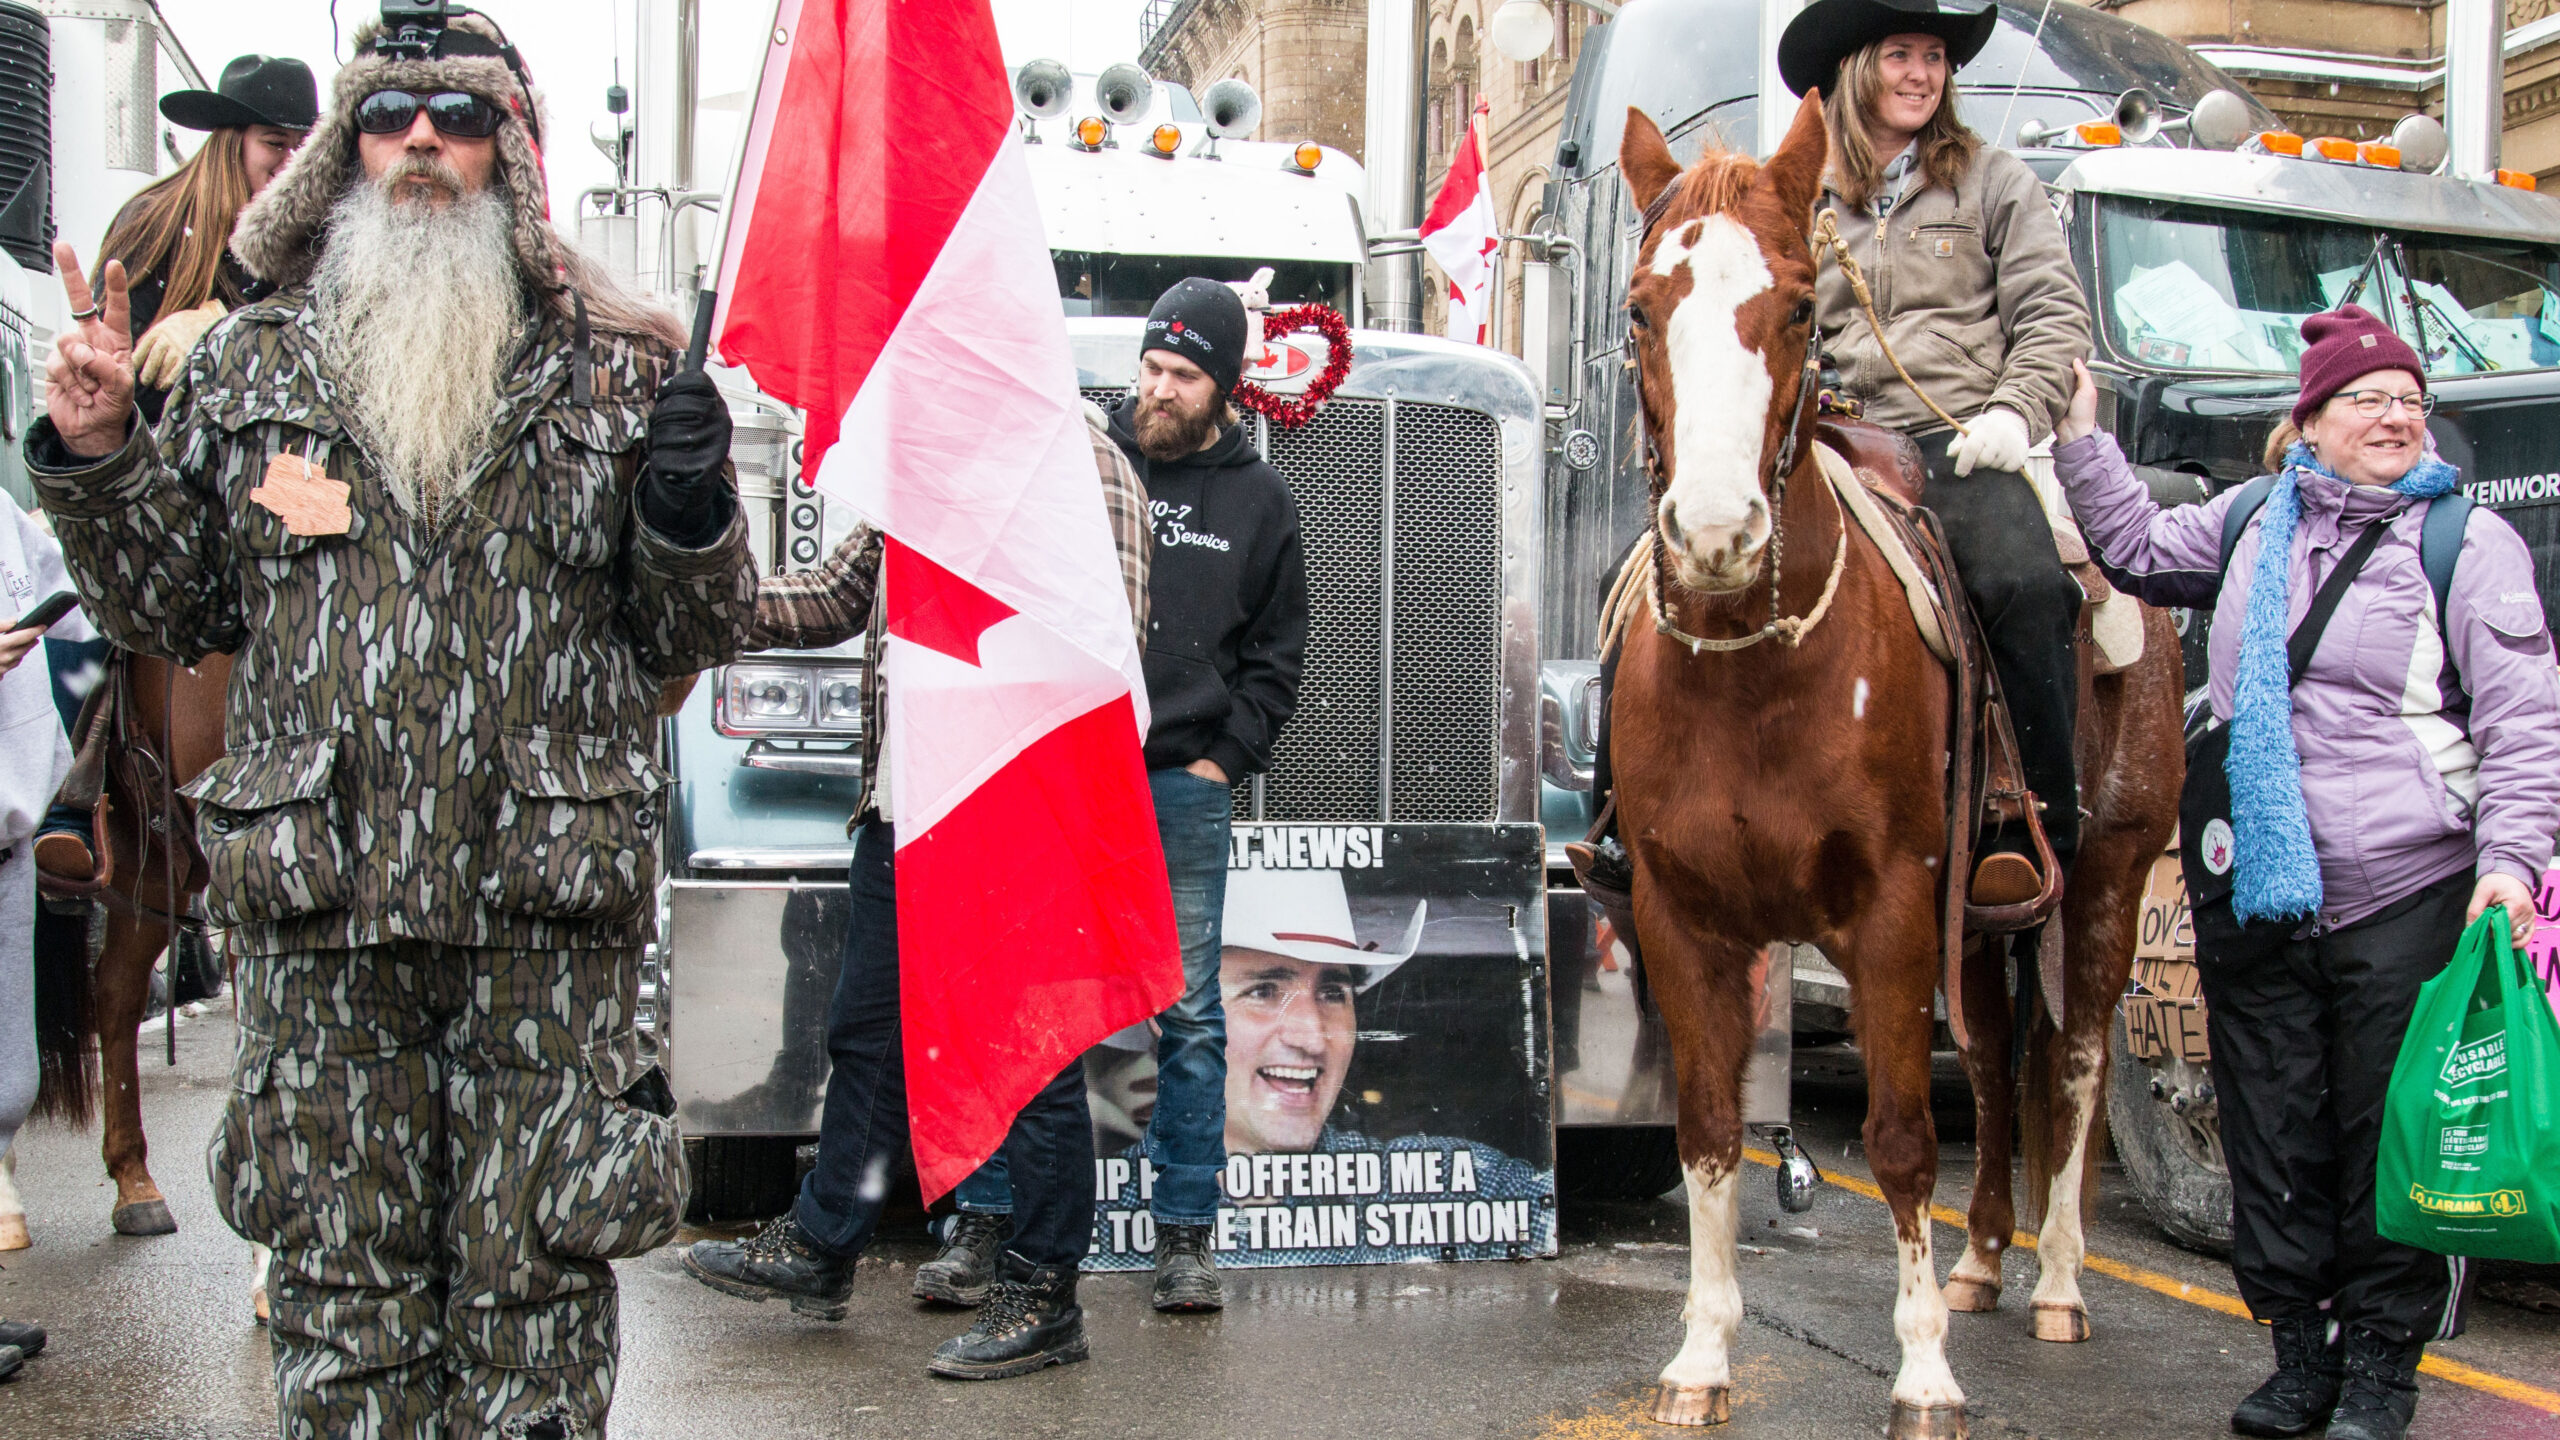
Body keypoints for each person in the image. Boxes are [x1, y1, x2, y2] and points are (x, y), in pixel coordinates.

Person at [23, 15, 756, 1434]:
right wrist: (100, 455)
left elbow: (685, 638)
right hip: (324, 900)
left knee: (535, 1276)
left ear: (510, 151)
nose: (422, 138)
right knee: (339, 1275)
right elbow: (174, 603)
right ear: (343, 150)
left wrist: (688, 519)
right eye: (389, 112)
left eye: (459, 115)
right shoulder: (250, 366)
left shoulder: (622, 370)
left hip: (540, 909)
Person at [2050, 306, 2560, 1440]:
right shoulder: (2248, 521)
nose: (2396, 417)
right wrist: (2082, 434)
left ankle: (2380, 1369)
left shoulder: (2465, 545)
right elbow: (2134, 547)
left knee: (2385, 1140)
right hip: (2257, 890)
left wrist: (2511, 864)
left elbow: (2526, 723)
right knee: (2273, 1131)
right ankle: (2299, 1353)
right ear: (2311, 422)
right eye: (2368, 400)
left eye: (2410, 401)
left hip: (2407, 889)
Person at [680, 407, 1152, 1379]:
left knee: (1031, 1058)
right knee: (868, 1036)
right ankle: (824, 1244)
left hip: (1013, 807)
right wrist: (704, 582)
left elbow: (1108, 644)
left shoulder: (1082, 463)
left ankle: (1043, 1293)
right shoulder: (932, 453)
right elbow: (832, 596)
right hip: (904, 811)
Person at [925, 278, 1308, 1315]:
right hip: (1062, 772)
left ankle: (1184, 1237)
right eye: (1151, 367)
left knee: (1188, 1015)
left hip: (1180, 783)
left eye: (1183, 374)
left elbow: (1277, 656)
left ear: (1224, 386)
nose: (1159, 389)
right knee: (1025, 999)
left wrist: (1223, 759)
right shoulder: (1082, 465)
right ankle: (986, 1223)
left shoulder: (1261, 502)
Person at [31, 55, 312, 891]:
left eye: (301, 146)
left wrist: (221, 325)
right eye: (273, 143)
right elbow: (112, 354)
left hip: (277, 478)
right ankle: (73, 793)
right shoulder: (155, 224)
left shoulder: (318, 238)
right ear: (230, 141)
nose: (288, 163)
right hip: (165, 476)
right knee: (84, 606)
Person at [0, 485, 91, 1277]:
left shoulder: (2, 512)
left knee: (10, 1078)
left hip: (9, 828)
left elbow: (83, 609)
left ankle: (75, 813)